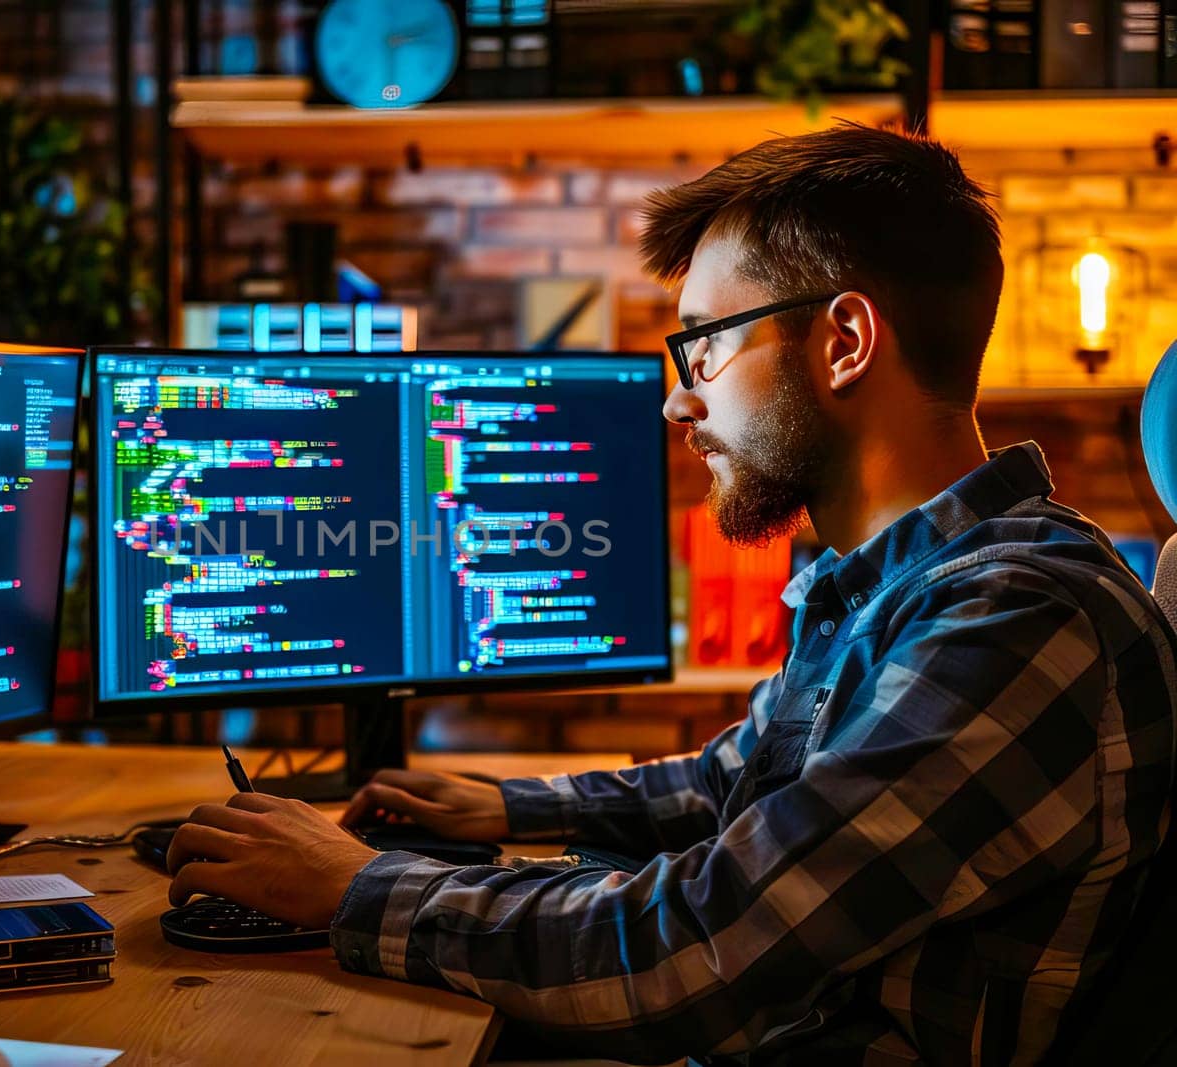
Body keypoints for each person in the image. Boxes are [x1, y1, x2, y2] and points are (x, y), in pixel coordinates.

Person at [164, 124, 1177, 1065]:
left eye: (704, 341)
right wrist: (502, 805)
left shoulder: (1017, 620)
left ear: (844, 341)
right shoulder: (901, 583)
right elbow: (739, 783)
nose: (677, 395)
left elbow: (701, 943)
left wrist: (355, 883)